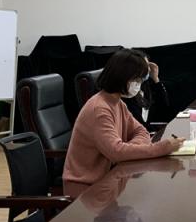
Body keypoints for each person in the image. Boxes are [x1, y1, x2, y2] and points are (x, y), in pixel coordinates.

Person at [64, 49, 183, 197]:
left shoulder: (117, 102)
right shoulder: (99, 108)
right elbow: (116, 152)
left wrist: (130, 148)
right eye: (137, 80)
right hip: (85, 189)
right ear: (121, 76)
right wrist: (161, 148)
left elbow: (141, 131)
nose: (139, 85)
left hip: (109, 179)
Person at [124, 51, 170, 126]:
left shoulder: (145, 87)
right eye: (145, 66)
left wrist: (156, 79)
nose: (148, 69)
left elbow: (163, 105)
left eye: (148, 65)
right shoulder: (129, 92)